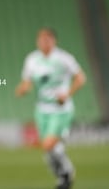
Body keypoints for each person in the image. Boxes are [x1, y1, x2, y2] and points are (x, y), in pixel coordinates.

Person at [15, 28, 86, 189]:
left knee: (48, 145)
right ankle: (62, 178)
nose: (44, 42)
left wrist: (67, 93)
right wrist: (23, 89)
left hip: (60, 110)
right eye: (41, 39)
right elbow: (27, 81)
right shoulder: (32, 59)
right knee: (48, 151)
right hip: (42, 110)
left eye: (47, 39)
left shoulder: (64, 58)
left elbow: (81, 78)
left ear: (54, 41)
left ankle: (68, 170)